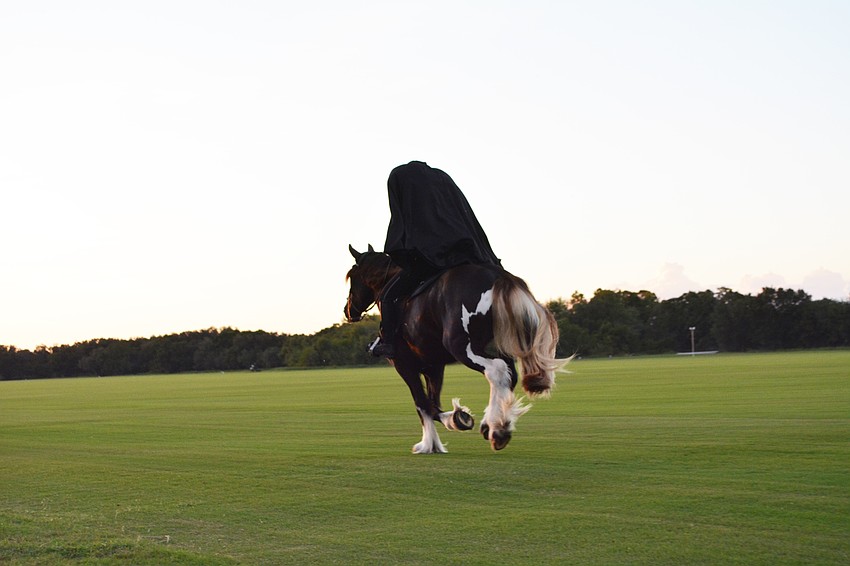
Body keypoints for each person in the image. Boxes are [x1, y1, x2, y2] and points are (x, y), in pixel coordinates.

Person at [369, 161, 501, 358]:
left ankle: (388, 342)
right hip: (468, 255)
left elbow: (403, 238)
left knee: (388, 296)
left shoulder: (417, 213)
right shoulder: (443, 189)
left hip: (430, 261)